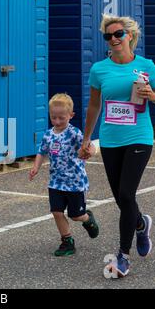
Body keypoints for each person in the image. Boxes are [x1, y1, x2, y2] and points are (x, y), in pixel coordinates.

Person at [79, 14, 155, 278]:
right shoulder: (99, 69)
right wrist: (86, 139)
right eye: (108, 36)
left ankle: (123, 256)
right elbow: (95, 105)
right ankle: (141, 224)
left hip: (139, 137)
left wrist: (152, 95)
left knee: (127, 194)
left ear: (130, 36)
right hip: (110, 139)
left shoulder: (145, 66)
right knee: (121, 198)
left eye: (118, 34)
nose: (113, 39)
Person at [29, 93, 99, 257]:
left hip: (75, 183)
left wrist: (91, 151)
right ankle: (67, 241)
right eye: (54, 117)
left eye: (61, 117)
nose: (57, 121)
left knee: (76, 215)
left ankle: (87, 218)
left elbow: (89, 146)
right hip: (56, 183)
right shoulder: (48, 135)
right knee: (57, 212)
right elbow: (41, 152)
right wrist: (35, 167)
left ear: (71, 115)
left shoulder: (74, 133)